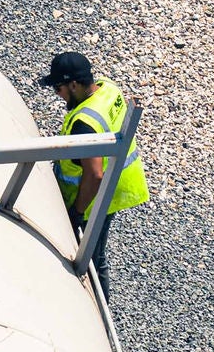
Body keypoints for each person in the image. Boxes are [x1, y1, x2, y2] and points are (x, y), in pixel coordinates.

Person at [38, 51, 148, 287]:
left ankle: (100, 310)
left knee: (93, 260)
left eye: (58, 89)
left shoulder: (84, 124)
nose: (58, 95)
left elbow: (94, 174)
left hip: (93, 199)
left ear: (74, 84)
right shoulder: (108, 89)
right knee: (97, 255)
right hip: (117, 183)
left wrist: (77, 212)